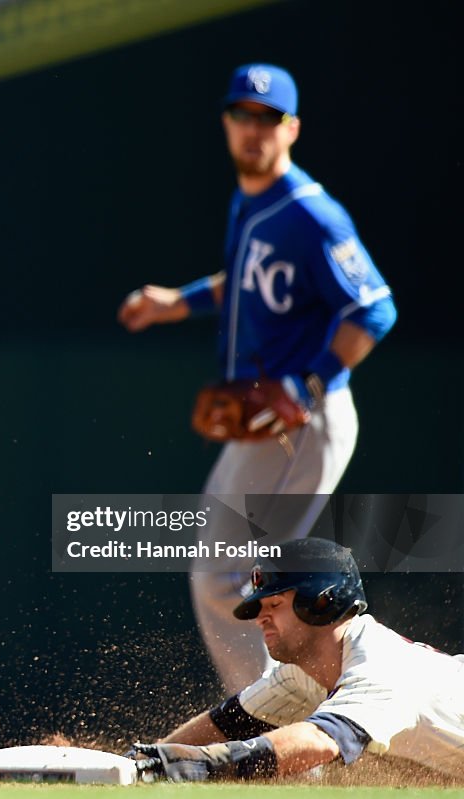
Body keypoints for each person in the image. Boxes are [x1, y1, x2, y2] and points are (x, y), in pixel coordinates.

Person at [118, 64, 397, 693]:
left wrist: (308, 382)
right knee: (239, 577)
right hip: (270, 423)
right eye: (243, 115)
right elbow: (244, 280)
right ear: (226, 122)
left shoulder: (310, 213)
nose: (253, 129)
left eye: (267, 120)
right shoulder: (252, 201)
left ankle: (284, 722)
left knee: (239, 578)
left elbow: (374, 307)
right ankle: (294, 717)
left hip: (304, 419)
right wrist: (175, 303)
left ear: (291, 128)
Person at [131, 538, 464, 782]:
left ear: (322, 603)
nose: (260, 618)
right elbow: (226, 725)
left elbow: (316, 742)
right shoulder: (300, 672)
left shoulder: (378, 667)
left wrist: (196, 765)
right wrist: (139, 762)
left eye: (274, 605)